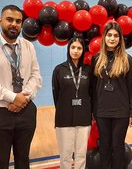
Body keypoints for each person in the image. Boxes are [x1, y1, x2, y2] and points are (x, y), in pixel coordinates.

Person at [0, 5, 42, 169]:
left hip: (26, 111)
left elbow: (36, 76)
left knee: (23, 160)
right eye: (9, 19)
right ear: (0, 21)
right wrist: (13, 97)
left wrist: (24, 98)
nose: (14, 24)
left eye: (18, 21)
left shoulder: (28, 46)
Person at [91, 21, 132, 169]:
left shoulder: (127, 59)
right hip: (101, 111)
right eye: (109, 35)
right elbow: (92, 88)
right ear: (104, 37)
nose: (112, 38)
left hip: (121, 112)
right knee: (104, 146)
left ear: (120, 39)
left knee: (118, 147)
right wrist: (92, 111)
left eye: (116, 36)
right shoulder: (96, 59)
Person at [52, 37, 92, 169]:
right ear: (68, 49)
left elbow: (91, 93)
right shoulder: (59, 70)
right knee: (65, 155)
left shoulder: (88, 70)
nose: (75, 51)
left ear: (83, 51)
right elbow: (56, 95)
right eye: (73, 47)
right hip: (64, 117)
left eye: (79, 48)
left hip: (84, 116)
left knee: (81, 154)